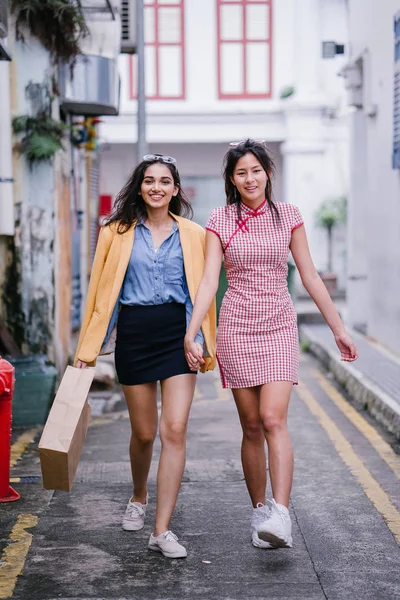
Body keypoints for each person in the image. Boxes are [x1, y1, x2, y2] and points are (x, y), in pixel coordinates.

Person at [184, 139, 358, 550]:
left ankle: (281, 514)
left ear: (268, 173)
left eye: (256, 170)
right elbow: (210, 280)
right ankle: (259, 510)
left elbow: (310, 276)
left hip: (279, 326)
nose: (250, 178)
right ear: (232, 178)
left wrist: (339, 328)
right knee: (251, 426)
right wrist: (192, 332)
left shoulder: (290, 216)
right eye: (241, 172)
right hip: (236, 328)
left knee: (273, 418)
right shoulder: (220, 220)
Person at [74, 154, 216, 559]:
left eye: (165, 181)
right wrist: (87, 350)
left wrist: (198, 339)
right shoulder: (115, 232)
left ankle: (162, 529)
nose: (157, 187)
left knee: (175, 430)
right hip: (135, 335)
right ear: (140, 187)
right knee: (145, 433)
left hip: (178, 336)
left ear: (176, 189)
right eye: (149, 180)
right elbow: (103, 294)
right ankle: (139, 495)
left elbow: (199, 291)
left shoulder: (194, 233)